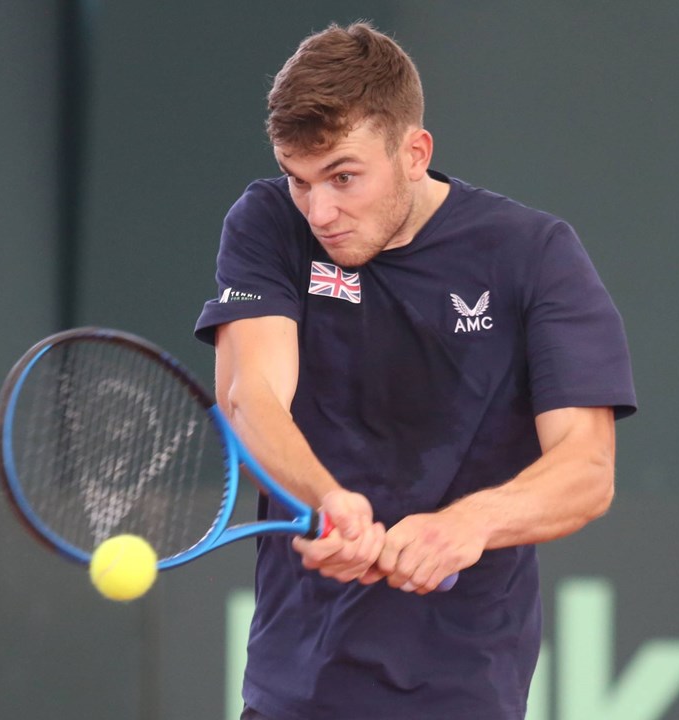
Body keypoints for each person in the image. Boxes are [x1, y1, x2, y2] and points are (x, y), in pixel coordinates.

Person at [194, 22, 636, 720]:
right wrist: (326, 499)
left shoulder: (534, 254)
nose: (320, 211)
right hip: (292, 690)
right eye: (299, 181)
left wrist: (470, 523)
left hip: (463, 691)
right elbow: (250, 396)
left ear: (413, 152)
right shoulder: (266, 223)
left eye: (343, 177)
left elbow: (587, 470)